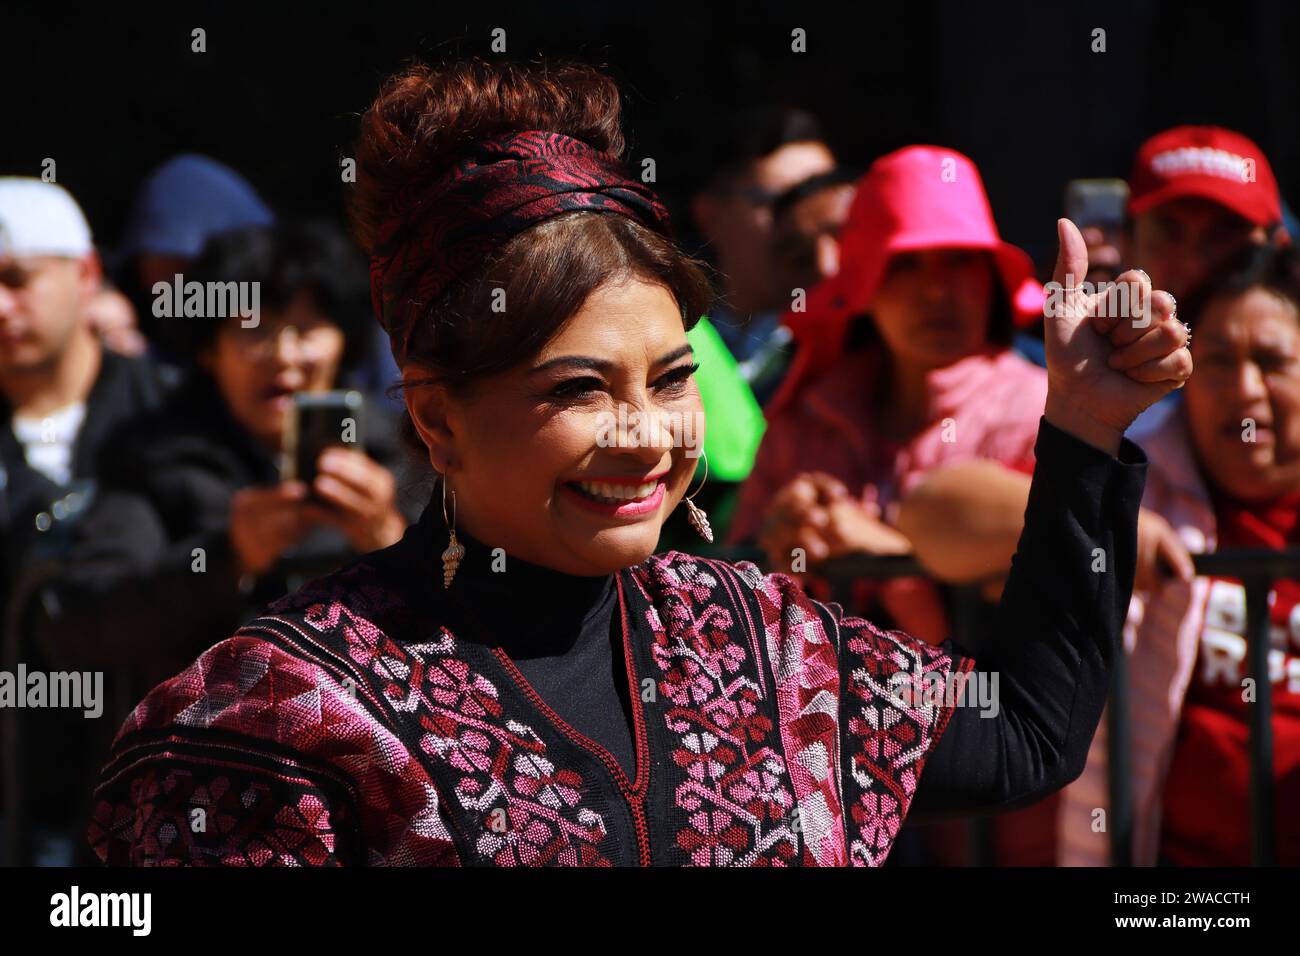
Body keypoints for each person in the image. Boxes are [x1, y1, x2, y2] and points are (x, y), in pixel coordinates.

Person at [86, 58, 1189, 867]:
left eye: (667, 379)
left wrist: (1084, 431)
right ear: (437, 421)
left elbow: (1030, 735)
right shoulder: (279, 714)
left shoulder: (763, 638)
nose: (647, 434)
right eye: (577, 389)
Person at [33, 221, 424, 860]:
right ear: (209, 348)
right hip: (187, 800)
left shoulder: (404, 452)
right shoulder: (152, 455)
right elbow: (80, 623)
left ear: (343, 341)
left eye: (307, 328)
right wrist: (227, 556)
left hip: (373, 798)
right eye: (253, 329)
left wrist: (392, 539)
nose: (284, 354)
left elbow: (483, 614)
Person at [1059, 245, 1300, 866]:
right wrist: (1111, 520)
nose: (1245, 391)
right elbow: (942, 507)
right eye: (1218, 362)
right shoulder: (1139, 478)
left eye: (1272, 363)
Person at [0, 178, 173, 865]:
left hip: (155, 796)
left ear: (87, 273)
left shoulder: (170, 415)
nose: (0, 307)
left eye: (16, 280)